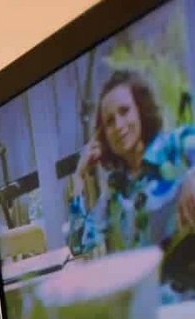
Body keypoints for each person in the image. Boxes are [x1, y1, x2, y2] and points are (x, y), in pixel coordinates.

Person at [67, 69, 195, 259]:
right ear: (104, 136)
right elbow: (79, 247)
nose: (118, 126)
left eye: (124, 111)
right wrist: (78, 178)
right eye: (110, 121)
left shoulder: (174, 146)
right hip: (145, 286)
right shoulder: (114, 193)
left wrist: (192, 176)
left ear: (141, 110)